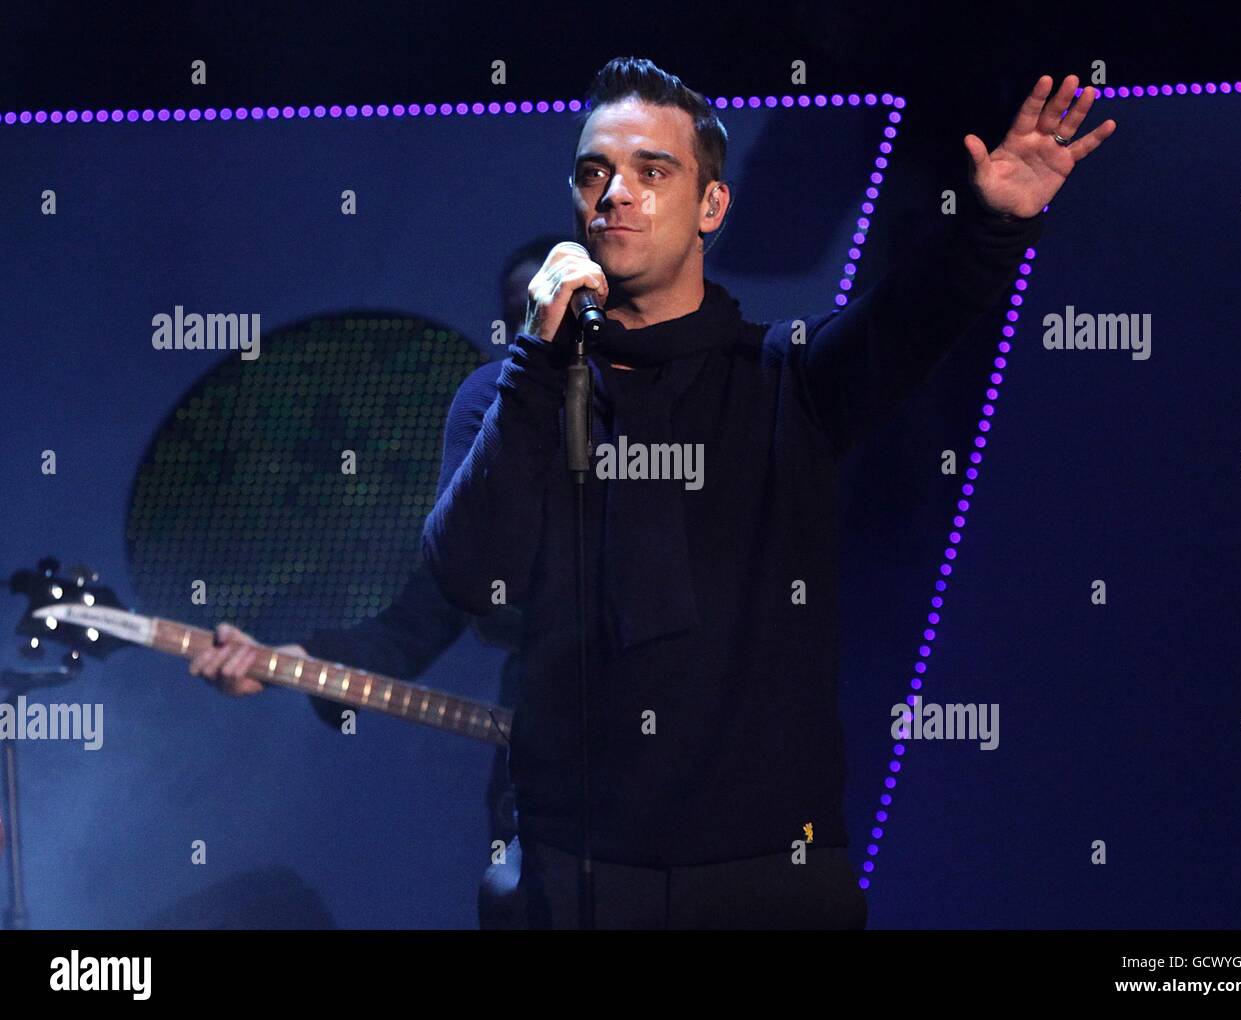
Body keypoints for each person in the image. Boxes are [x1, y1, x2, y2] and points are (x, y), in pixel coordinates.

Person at [424, 56, 1114, 929]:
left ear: (712, 206)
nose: (615, 195)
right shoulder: (508, 397)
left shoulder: (785, 380)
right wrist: (535, 363)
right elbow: (466, 574)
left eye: (652, 170)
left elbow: (906, 320)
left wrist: (991, 223)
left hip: (772, 878)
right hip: (574, 873)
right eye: (594, 171)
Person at [189, 234, 570, 930]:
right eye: (527, 310)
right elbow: (414, 622)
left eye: (563, 299)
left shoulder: (684, 424)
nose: (544, 318)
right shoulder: (493, 444)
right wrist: (297, 663)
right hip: (544, 782)